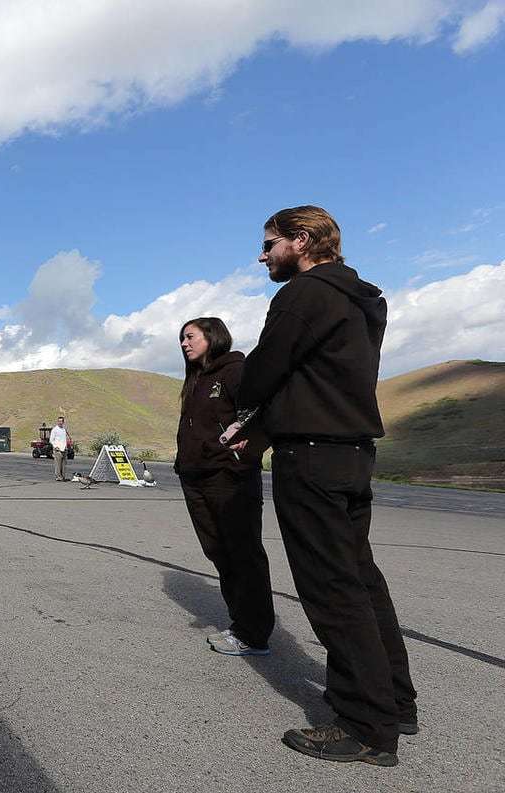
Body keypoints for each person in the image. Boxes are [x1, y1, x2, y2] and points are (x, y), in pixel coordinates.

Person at [222, 205, 416, 767]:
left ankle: (365, 725)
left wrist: (246, 411)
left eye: (269, 244)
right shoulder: (360, 300)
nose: (262, 256)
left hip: (310, 456)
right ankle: (394, 701)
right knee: (359, 578)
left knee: (331, 588)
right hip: (352, 451)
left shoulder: (304, 295)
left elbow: (265, 370)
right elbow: (309, 376)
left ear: (302, 240)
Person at [173, 317, 274, 657]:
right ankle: (241, 624)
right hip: (195, 475)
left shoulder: (235, 370)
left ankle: (254, 633)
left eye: (190, 337)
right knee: (218, 551)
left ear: (211, 336)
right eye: (181, 339)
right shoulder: (196, 379)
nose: (184, 344)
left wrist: (247, 447)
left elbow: (260, 410)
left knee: (242, 553)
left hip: (228, 476)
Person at [50, 416, 71, 481]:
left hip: (64, 449)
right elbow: (51, 440)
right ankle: (58, 477)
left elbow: (65, 439)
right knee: (58, 464)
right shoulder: (55, 430)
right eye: (59, 421)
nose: (60, 422)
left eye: (61, 421)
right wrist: (55, 446)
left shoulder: (64, 429)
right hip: (58, 449)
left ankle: (63, 476)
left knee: (63, 464)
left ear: (63, 422)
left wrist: (67, 447)